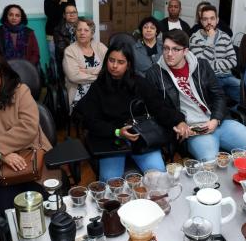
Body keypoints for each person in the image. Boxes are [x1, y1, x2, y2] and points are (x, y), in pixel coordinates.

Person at [74, 43, 188, 181]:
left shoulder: (140, 83)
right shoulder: (98, 87)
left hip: (141, 138)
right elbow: (91, 121)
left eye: (120, 62)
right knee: (110, 184)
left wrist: (179, 120)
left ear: (128, 64)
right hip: (111, 140)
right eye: (111, 60)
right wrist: (117, 131)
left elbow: (159, 107)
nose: (114, 66)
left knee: (159, 177)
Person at [146, 29, 246, 161]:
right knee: (210, 166)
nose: (169, 54)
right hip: (194, 131)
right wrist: (178, 122)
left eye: (175, 49)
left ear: (185, 51)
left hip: (218, 122)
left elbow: (219, 95)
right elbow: (158, 108)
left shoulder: (202, 66)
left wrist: (215, 119)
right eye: (166, 48)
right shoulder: (154, 74)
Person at [0, 53, 56, 216]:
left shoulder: (21, 91)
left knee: (45, 210)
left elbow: (28, 127)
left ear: (5, 76)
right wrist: (1, 156)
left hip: (33, 156)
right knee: (10, 213)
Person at [189, 5, 240, 102]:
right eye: (205, 19)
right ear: (201, 21)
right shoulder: (194, 39)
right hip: (208, 79)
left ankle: (237, 115)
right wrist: (210, 39)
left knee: (242, 90)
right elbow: (201, 64)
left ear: (217, 20)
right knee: (217, 99)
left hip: (227, 76)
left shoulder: (225, 36)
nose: (209, 22)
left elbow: (233, 61)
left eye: (212, 18)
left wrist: (212, 65)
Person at [63, 18, 107, 112]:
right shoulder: (70, 51)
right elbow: (74, 76)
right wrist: (99, 76)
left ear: (92, 33)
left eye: (86, 30)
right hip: (80, 96)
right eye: (79, 30)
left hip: (102, 93)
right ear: (75, 32)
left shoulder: (100, 47)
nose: (82, 33)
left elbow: (108, 69)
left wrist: (87, 71)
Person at [44, 0, 76, 65]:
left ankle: (67, 75)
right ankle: (55, 77)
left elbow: (70, 15)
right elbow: (49, 14)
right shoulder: (48, 0)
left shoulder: (70, 0)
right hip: (51, 31)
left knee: (68, 54)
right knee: (53, 54)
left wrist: (60, 5)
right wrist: (56, 3)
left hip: (67, 31)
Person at [53, 4, 79, 82]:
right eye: (68, 13)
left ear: (77, 14)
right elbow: (63, 50)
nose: (71, 15)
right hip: (67, 60)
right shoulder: (58, 30)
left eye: (74, 12)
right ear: (64, 15)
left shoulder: (84, 26)